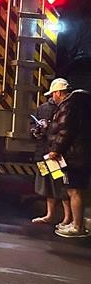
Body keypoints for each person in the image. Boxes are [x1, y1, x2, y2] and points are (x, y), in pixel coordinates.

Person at [45, 78, 91, 238]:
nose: (52, 98)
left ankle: (77, 226)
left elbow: (65, 131)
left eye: (53, 94)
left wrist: (55, 150)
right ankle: (76, 223)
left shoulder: (68, 107)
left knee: (74, 190)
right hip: (80, 155)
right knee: (75, 190)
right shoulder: (79, 105)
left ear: (58, 92)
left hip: (74, 156)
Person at [30, 93, 70, 225]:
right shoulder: (44, 108)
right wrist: (37, 130)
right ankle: (51, 215)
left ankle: (66, 217)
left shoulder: (64, 109)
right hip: (44, 154)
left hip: (52, 154)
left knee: (60, 184)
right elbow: (33, 128)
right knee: (47, 184)